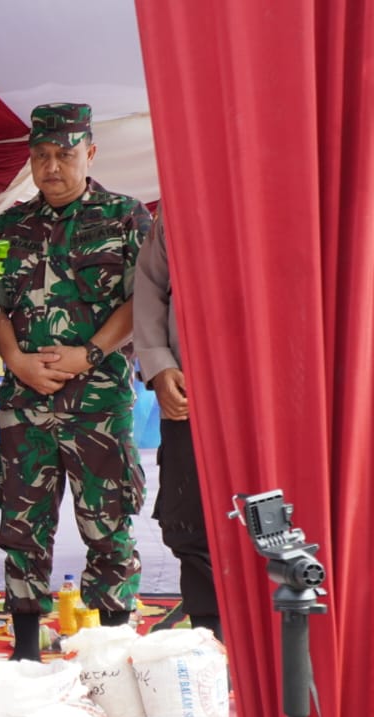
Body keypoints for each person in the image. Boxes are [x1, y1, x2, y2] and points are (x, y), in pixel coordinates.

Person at [0, 103, 151, 660]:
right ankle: (27, 653)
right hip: (25, 400)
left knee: (107, 524)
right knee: (22, 524)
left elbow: (142, 299)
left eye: (64, 155)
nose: (51, 167)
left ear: (90, 153)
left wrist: (91, 352)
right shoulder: (9, 226)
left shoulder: (125, 217)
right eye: (40, 156)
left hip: (99, 401)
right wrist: (15, 360)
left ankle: (112, 649)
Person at [133, 207, 220, 639]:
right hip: (187, 391)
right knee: (190, 519)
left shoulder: (294, 182)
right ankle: (212, 639)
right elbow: (149, 289)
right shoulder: (182, 200)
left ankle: (283, 644)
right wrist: (159, 365)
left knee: (274, 517)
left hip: (272, 398)